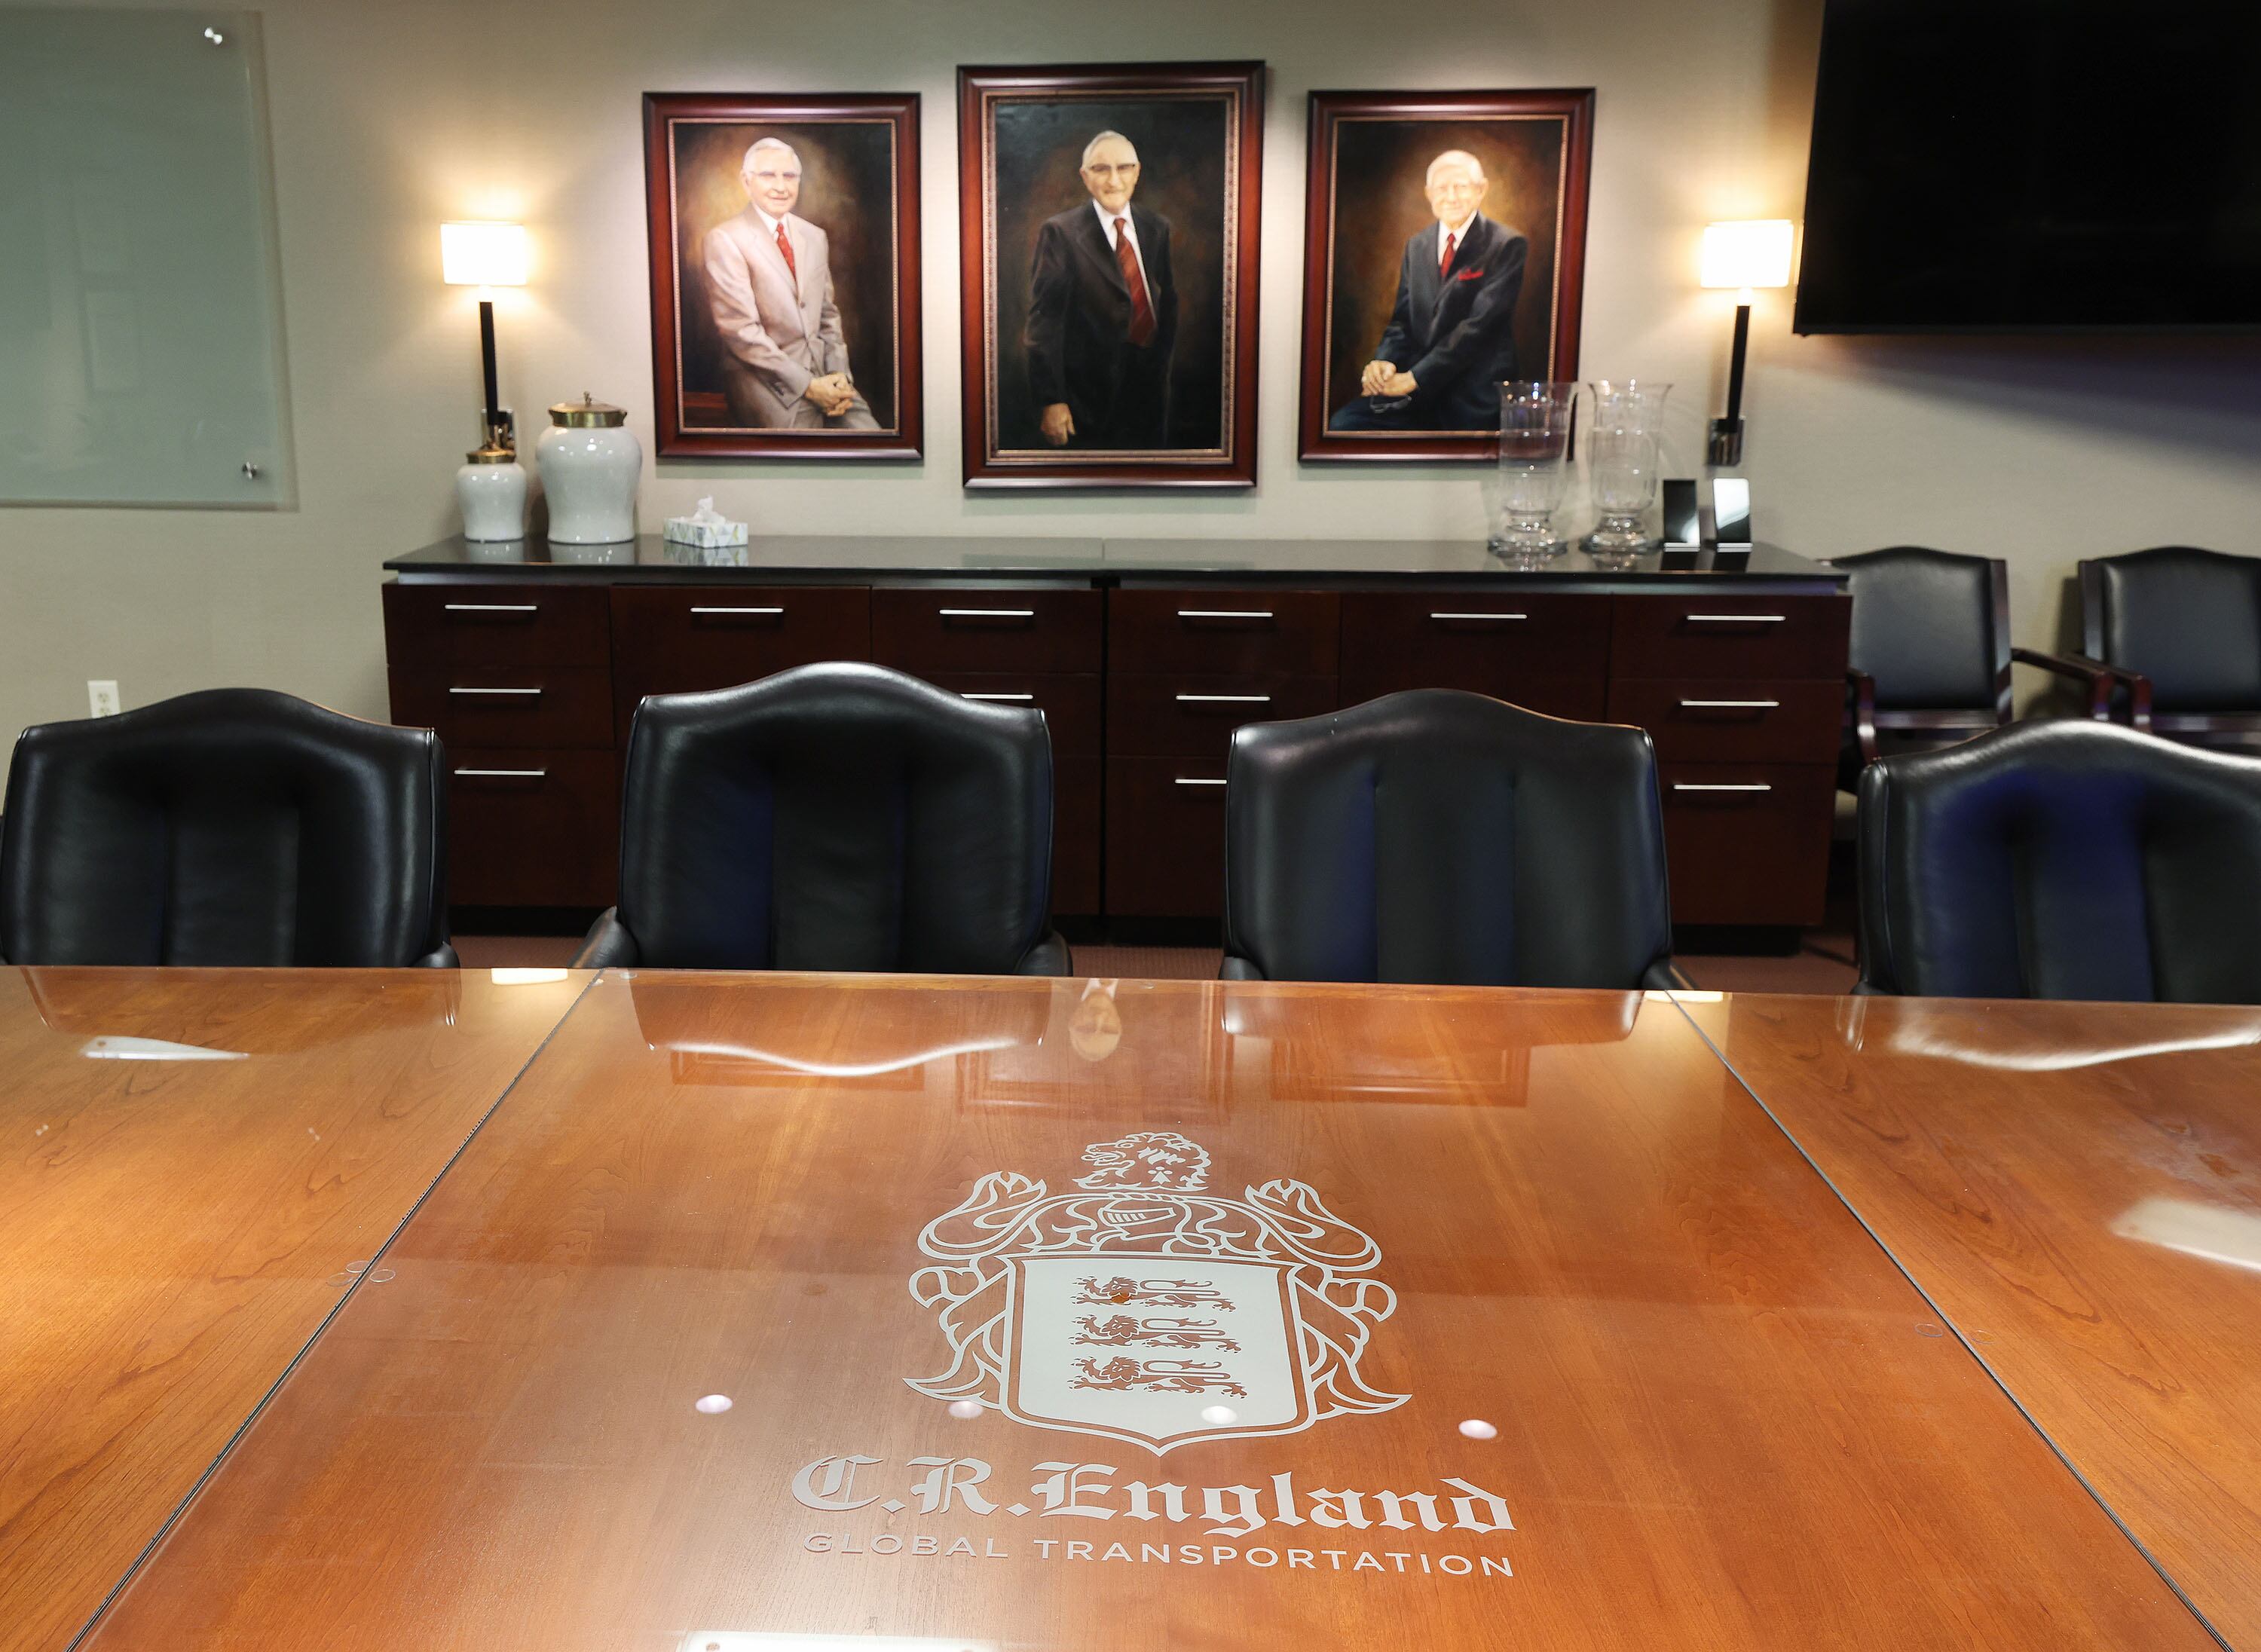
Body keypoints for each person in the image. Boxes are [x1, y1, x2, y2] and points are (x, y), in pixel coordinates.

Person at [1329, 149, 1528, 433]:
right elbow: (1402, 322)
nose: (1451, 197)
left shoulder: (1507, 244)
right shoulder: (1417, 245)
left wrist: (1414, 378)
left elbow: (1477, 329)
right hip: (1417, 393)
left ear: (1481, 190)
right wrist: (1383, 360)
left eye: (1461, 187)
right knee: (1343, 425)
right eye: (1442, 188)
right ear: (1428, 193)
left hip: (1473, 394)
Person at [702, 137, 877, 430]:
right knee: (807, 465)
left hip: (826, 376)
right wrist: (808, 386)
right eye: (769, 175)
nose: (781, 187)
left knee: (873, 439)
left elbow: (827, 315)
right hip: (769, 384)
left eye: (790, 176)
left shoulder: (814, 236)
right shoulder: (725, 239)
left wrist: (840, 377)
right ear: (747, 182)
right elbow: (742, 333)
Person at [1024, 130, 1179, 449]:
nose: (1113, 181)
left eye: (1123, 168)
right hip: (1088, 397)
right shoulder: (1060, 233)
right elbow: (1045, 321)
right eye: (1100, 169)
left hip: (1150, 388)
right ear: (1084, 176)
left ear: (1137, 172)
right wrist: (1052, 399)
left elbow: (1168, 300)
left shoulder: (1156, 227)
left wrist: (1161, 362)